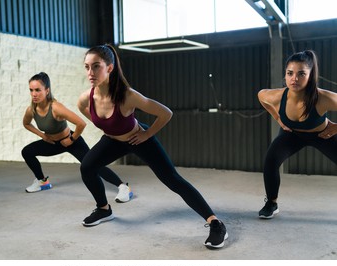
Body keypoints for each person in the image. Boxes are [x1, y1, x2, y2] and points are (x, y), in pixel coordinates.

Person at [77, 44, 228, 249]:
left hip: (138, 139)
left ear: (109, 68)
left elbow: (165, 113)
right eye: (87, 67)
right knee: (87, 167)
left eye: (96, 66)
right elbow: (85, 111)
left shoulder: (128, 95)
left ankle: (216, 223)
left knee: (172, 180)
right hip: (113, 141)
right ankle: (104, 209)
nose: (90, 72)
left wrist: (146, 134)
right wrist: (108, 130)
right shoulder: (87, 97)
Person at [21, 72, 133, 203]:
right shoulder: (31, 110)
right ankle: (42, 181)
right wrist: (43, 136)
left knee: (93, 165)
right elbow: (26, 124)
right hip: (53, 142)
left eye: (38, 90)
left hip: (72, 141)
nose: (34, 94)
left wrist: (71, 139)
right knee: (27, 152)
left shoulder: (56, 108)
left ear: (47, 91)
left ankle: (124, 187)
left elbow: (81, 123)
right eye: (31, 90)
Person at [257, 50, 337, 219]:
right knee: (270, 161)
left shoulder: (323, 97)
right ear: (285, 75)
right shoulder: (278, 95)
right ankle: (271, 202)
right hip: (292, 135)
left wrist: (336, 128)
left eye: (301, 74)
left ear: (310, 75)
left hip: (322, 135)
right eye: (290, 73)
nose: (294, 78)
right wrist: (278, 118)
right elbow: (261, 95)